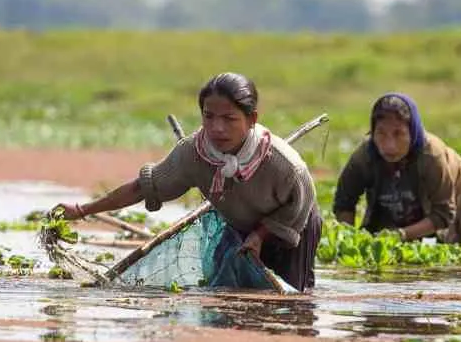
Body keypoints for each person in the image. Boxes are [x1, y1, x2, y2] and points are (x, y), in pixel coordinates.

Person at [54, 72, 322, 291]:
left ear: (252, 119)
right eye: (209, 116)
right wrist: (82, 211)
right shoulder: (194, 153)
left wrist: (260, 235)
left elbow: (299, 205)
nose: (217, 128)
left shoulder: (286, 166)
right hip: (241, 225)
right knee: (228, 293)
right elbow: (143, 187)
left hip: (292, 226)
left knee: (290, 298)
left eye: (229, 119)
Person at [333, 92, 461, 245]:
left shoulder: (432, 157)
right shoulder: (364, 156)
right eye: (381, 133)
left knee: (449, 246)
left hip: (451, 186)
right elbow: (344, 202)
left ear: (412, 132)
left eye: (398, 134)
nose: (389, 146)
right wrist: (349, 240)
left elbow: (443, 215)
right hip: (394, 198)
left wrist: (401, 234)